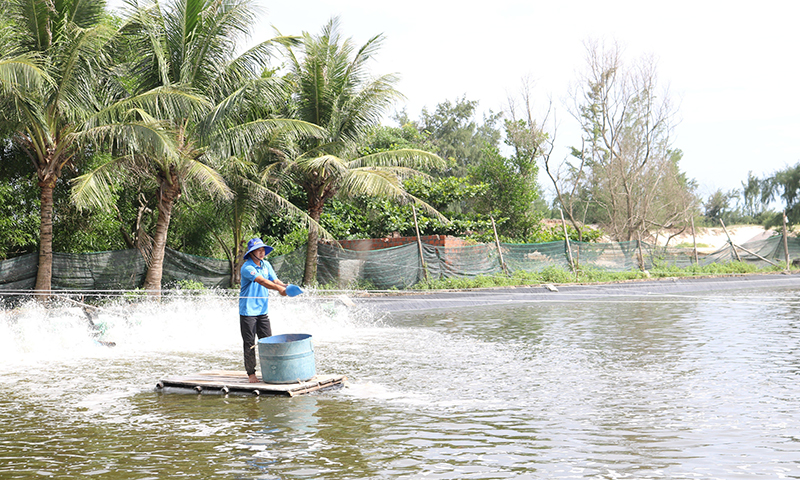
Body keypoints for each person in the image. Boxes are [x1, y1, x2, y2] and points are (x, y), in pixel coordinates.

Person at [239, 238, 287, 383]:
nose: (262, 252)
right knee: (250, 343)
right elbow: (263, 282)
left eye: (263, 250)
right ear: (251, 253)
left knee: (268, 341)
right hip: (248, 312)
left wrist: (285, 286)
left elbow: (275, 280)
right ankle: (251, 374)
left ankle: (271, 371)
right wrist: (279, 289)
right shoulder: (247, 268)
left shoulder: (266, 265)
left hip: (262, 310)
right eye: (258, 250)